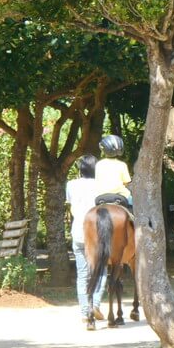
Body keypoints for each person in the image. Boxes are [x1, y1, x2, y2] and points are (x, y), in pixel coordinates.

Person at [66, 154, 106, 323]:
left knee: (82, 275)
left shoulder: (71, 184)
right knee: (102, 271)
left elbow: (71, 204)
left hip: (78, 232)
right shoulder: (101, 185)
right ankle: (95, 303)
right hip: (97, 232)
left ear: (80, 169)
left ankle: (85, 312)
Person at [95, 135, 132, 207]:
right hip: (121, 195)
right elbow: (126, 182)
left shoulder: (99, 164)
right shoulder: (122, 165)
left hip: (101, 196)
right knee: (135, 208)